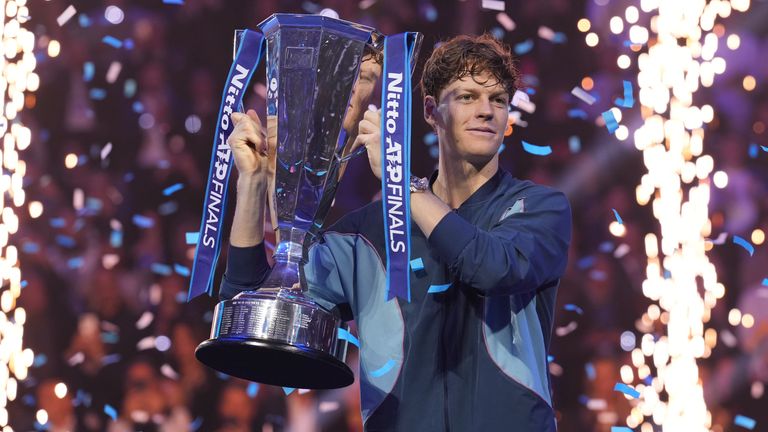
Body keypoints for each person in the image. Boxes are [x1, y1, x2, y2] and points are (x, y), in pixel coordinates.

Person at [221, 34, 571, 431]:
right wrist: (250, 185)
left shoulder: (538, 208)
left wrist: (401, 184)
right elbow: (250, 305)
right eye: (468, 97)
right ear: (430, 111)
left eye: (498, 100)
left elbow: (491, 268)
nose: (486, 111)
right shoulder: (370, 232)